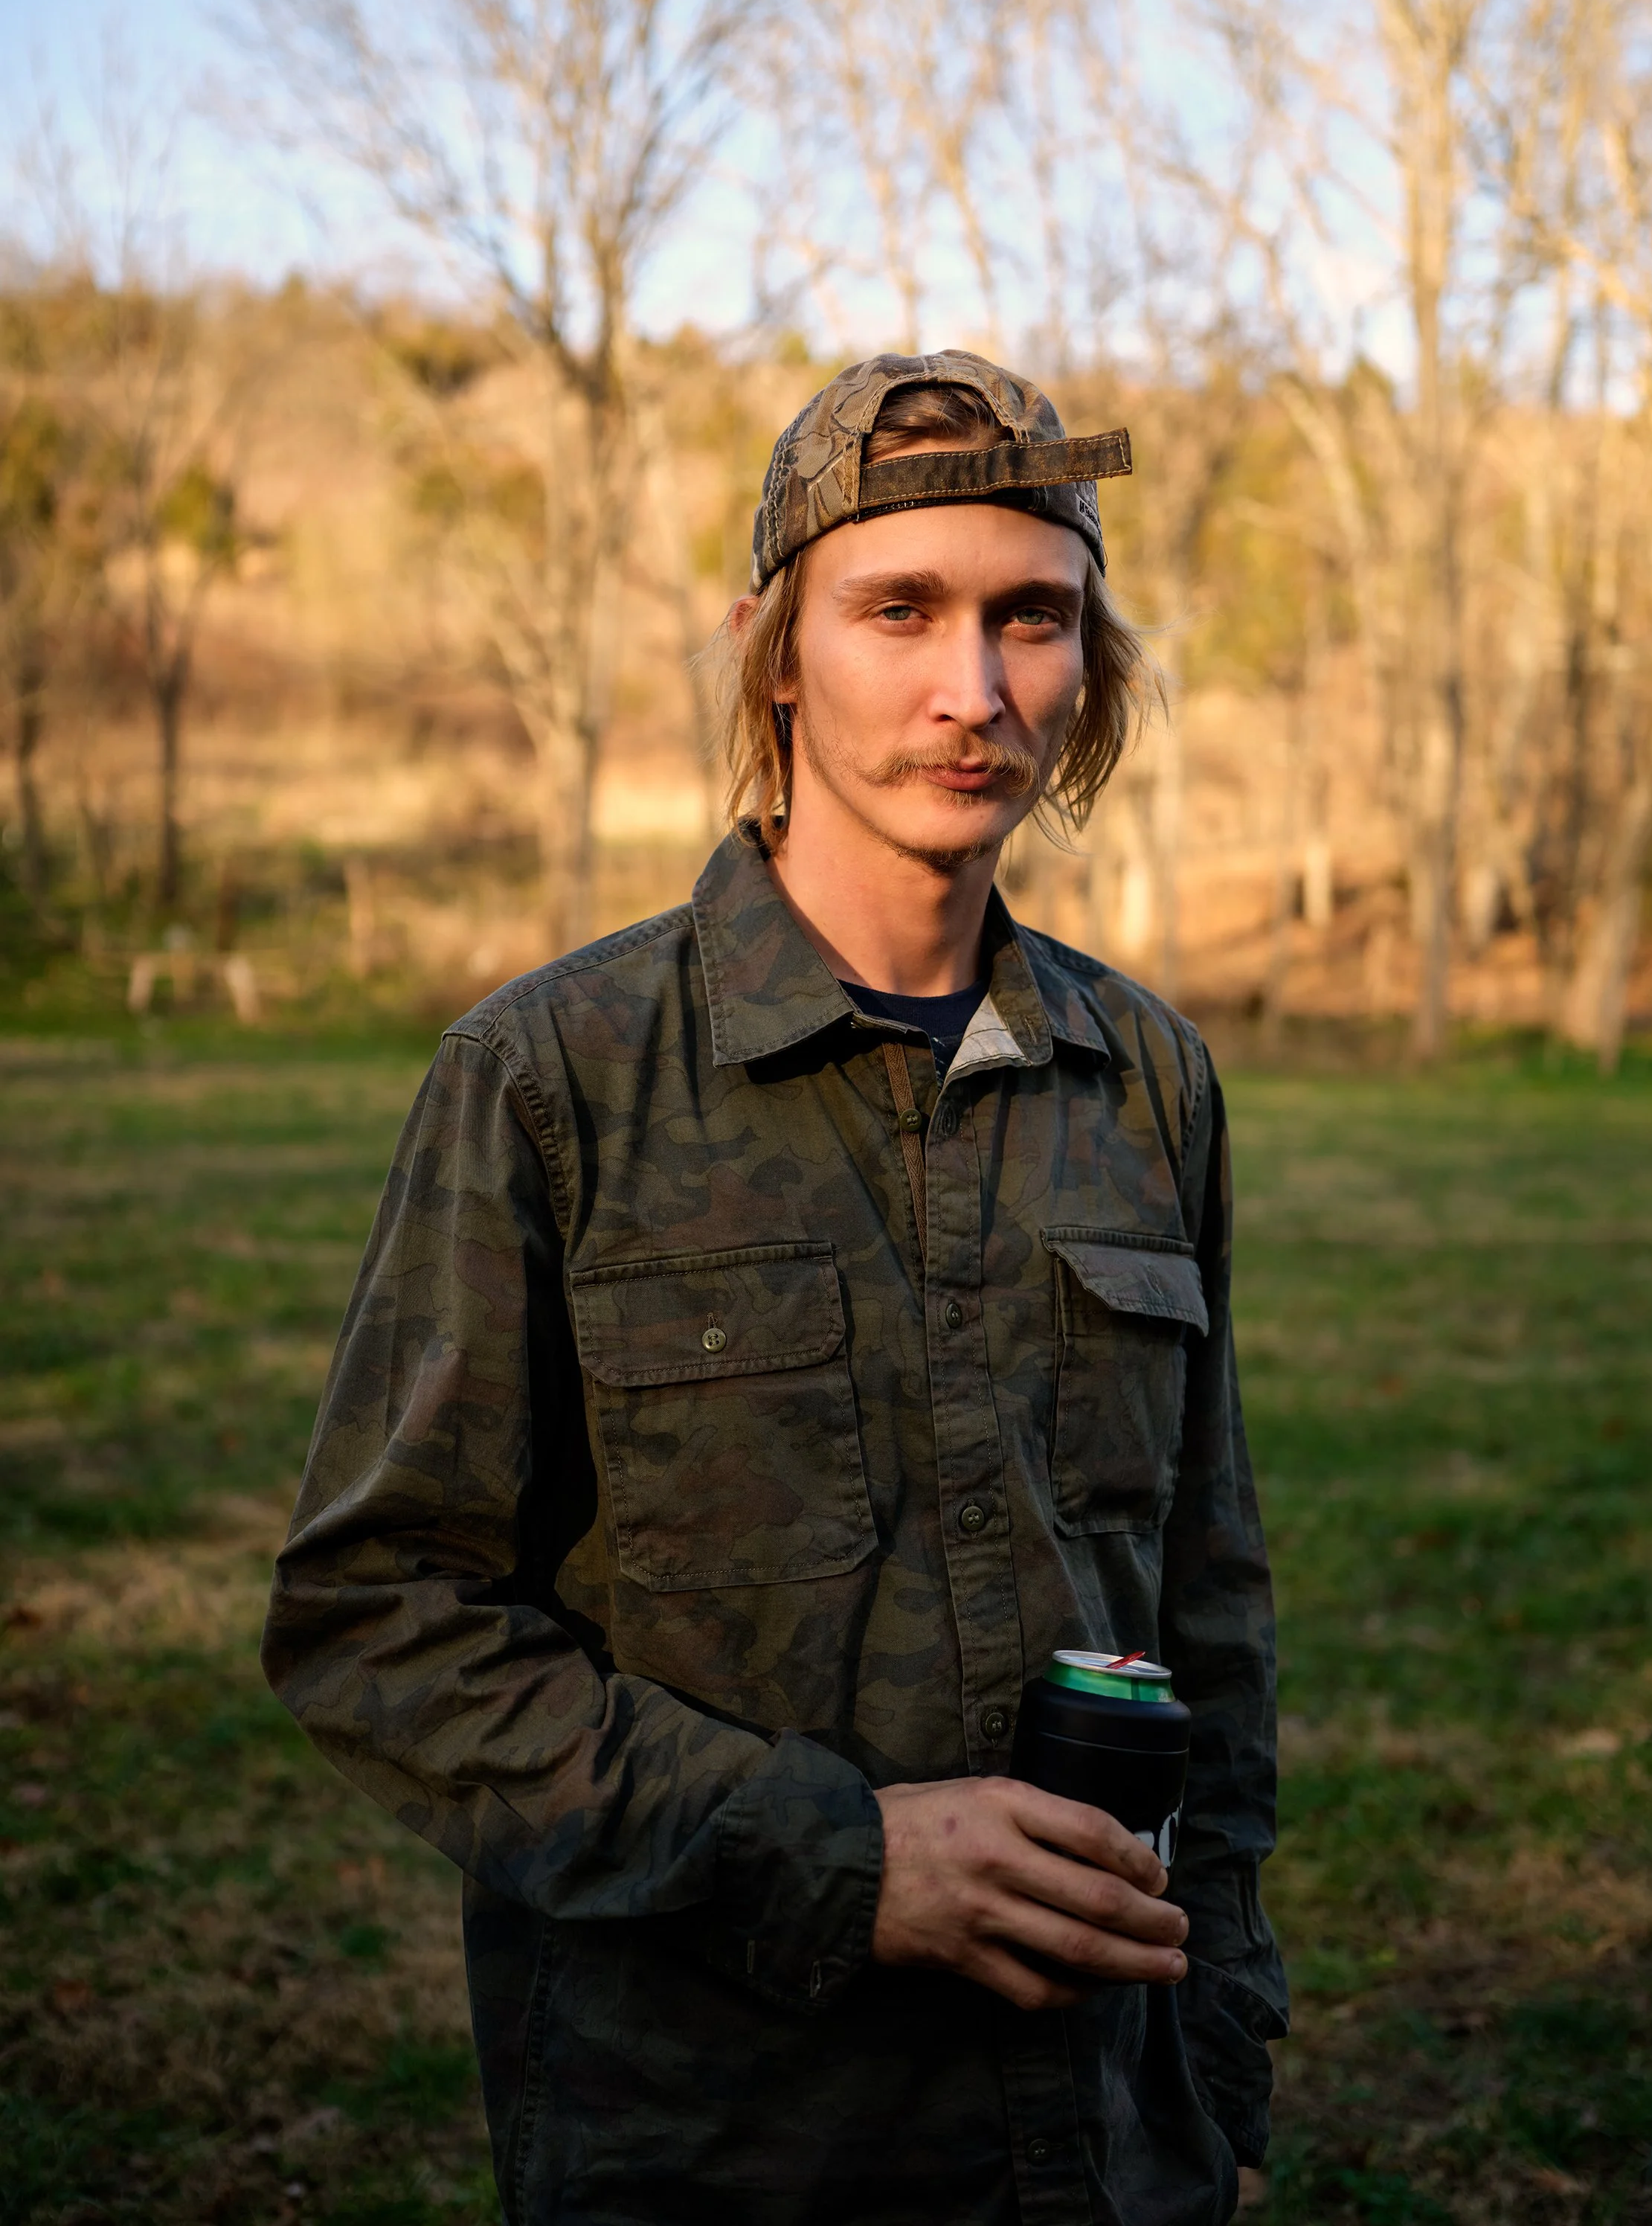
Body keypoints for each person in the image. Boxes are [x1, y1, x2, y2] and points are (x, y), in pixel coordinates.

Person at [263, 350, 1286, 2226]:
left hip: (1102, 2148)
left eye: (1031, 618)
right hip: (718, 2142)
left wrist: (1216, 2065)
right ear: (777, 647)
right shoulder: (552, 1078)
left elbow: (1205, 1613)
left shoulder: (1147, 1079)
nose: (971, 691)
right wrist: (840, 1857)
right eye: (898, 608)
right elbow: (377, 1617)